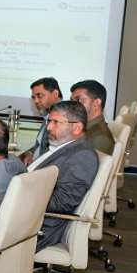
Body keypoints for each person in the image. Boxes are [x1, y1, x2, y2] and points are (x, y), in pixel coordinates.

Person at [29, 100, 100, 250]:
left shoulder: (82, 156)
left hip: (37, 228)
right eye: (49, 121)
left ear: (76, 127)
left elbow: (64, 202)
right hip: (29, 217)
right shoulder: (64, 147)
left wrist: (19, 196)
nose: (48, 127)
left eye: (56, 122)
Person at [20, 77, 63, 165]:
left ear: (55, 94)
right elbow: (41, 144)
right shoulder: (48, 115)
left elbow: (56, 153)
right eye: (33, 97)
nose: (36, 101)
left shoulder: (63, 120)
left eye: (39, 96)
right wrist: (31, 153)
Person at [70, 79, 115, 154]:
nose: (72, 106)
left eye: (78, 100)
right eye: (72, 101)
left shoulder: (99, 139)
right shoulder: (86, 129)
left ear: (96, 103)